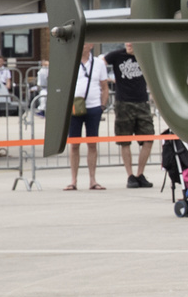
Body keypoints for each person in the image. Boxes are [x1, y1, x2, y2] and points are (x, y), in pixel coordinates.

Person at [103, 42, 156, 188]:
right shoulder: (117, 55)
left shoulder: (142, 56)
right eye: (127, 41)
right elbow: (101, 63)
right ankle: (130, 175)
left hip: (142, 102)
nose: (129, 44)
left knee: (149, 137)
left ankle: (140, 174)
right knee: (124, 140)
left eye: (132, 41)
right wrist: (105, 79)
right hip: (123, 103)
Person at [66, 44, 107, 190]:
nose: (82, 44)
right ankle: (73, 180)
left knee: (92, 144)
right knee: (74, 144)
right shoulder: (71, 60)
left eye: (85, 42)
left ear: (91, 45)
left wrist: (102, 106)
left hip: (94, 106)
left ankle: (92, 180)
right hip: (75, 107)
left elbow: (104, 86)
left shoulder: (98, 63)